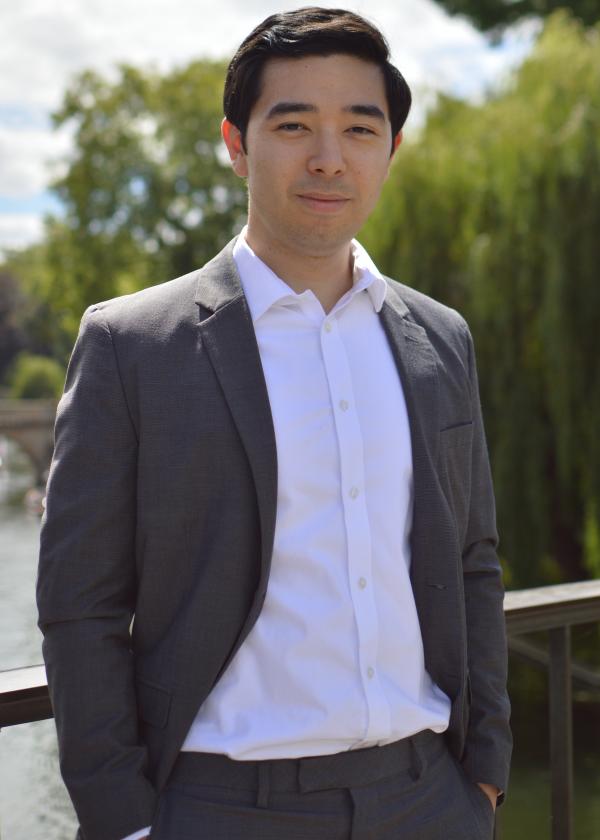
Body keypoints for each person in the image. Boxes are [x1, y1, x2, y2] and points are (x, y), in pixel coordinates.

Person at [37, 7, 512, 839]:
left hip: (429, 795)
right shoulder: (131, 345)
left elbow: (473, 560)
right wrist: (125, 821)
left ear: (390, 151)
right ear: (236, 142)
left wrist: (484, 780)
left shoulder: (441, 338)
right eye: (293, 124)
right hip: (217, 807)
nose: (329, 157)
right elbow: (81, 603)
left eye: (359, 129)